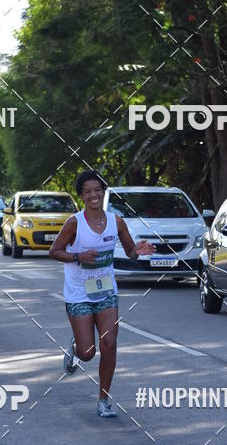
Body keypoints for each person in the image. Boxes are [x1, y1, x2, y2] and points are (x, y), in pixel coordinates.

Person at [49, 170, 155, 417]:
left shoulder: (116, 222)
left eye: (97, 190)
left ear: (103, 192)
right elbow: (54, 251)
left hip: (107, 292)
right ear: (81, 196)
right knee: (88, 353)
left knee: (109, 344)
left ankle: (103, 400)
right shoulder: (74, 223)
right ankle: (76, 348)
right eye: (88, 191)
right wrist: (78, 256)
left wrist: (139, 250)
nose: (93, 195)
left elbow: (130, 251)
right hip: (78, 293)